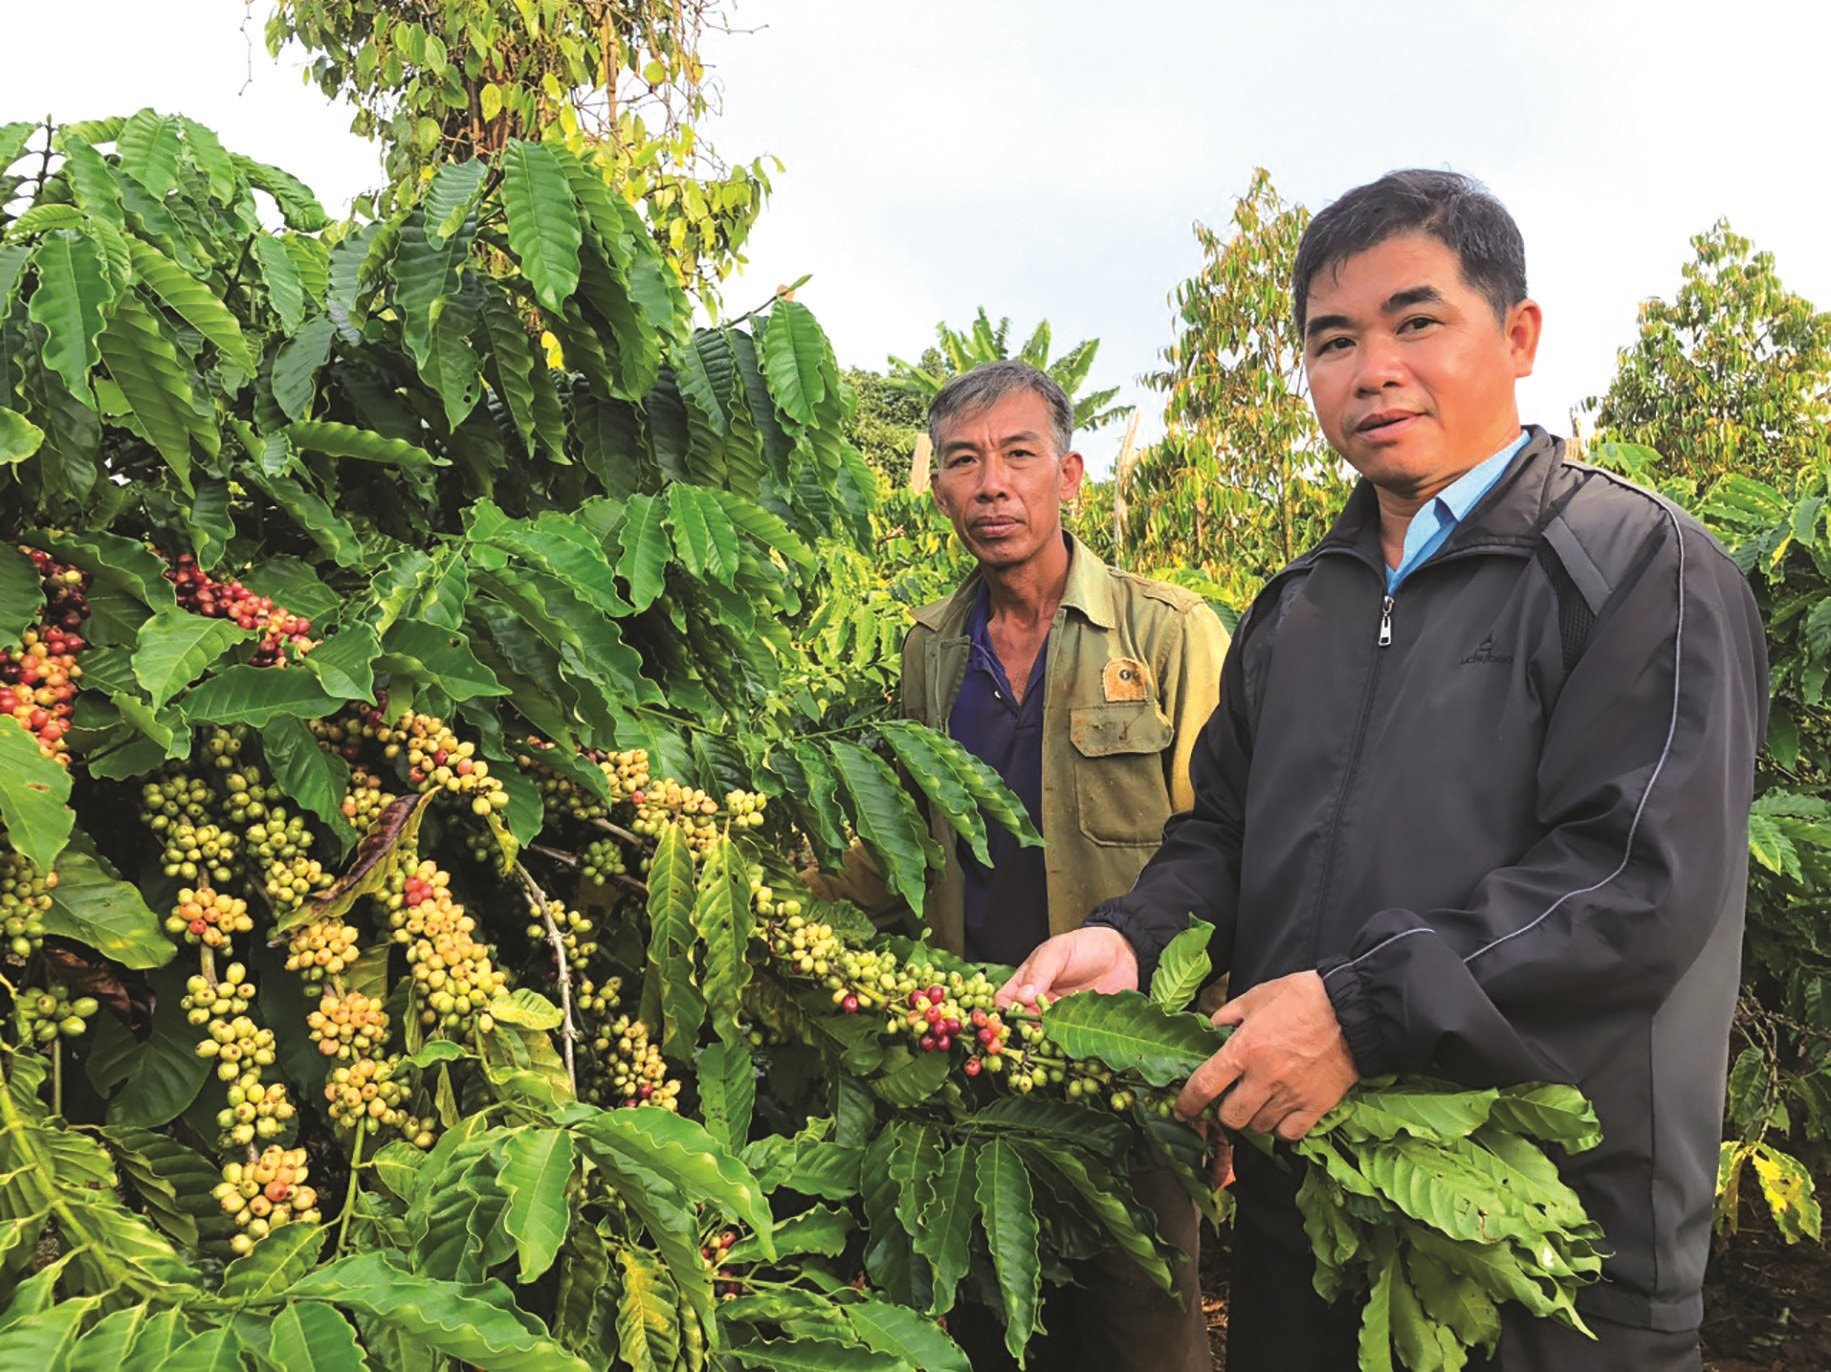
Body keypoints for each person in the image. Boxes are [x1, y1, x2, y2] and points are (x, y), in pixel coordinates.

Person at [998, 170, 1768, 1371]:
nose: (1371, 371)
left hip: (1538, 1236)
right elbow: (1221, 837)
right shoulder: (1300, 605)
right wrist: (1134, 938)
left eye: (1417, 323)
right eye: (1332, 340)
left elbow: (1631, 882)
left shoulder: (1638, 569)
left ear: (1516, 336)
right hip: (1310, 1200)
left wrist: (1358, 1010)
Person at [816, 359, 1228, 1369]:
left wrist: (1216, 1063)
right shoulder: (933, 648)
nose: (990, 484)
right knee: (1002, 1331)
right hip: (979, 1065)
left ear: (1069, 475)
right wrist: (782, 895)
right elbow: (903, 841)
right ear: (940, 487)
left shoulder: (1166, 632)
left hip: (1125, 1075)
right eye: (963, 461)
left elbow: (1225, 841)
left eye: (1016, 455)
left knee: (1138, 1328)